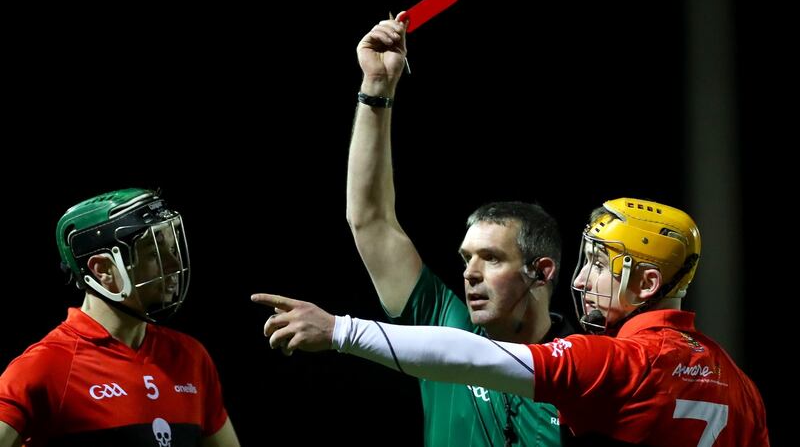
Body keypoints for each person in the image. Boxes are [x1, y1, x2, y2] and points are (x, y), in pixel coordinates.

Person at [254, 197, 770, 446]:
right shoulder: (743, 388)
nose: (585, 278)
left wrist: (343, 330)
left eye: (602, 263)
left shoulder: (617, 360)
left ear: (649, 285)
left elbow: (468, 353)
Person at [346, 12, 571, 446]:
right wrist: (377, 86)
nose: (469, 274)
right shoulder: (447, 328)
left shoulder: (587, 369)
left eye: (492, 259)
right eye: (467, 258)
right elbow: (370, 219)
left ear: (542, 272)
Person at [0, 188, 240, 447]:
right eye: (154, 253)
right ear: (102, 269)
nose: (172, 265)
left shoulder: (191, 357)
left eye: (172, 249)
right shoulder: (46, 366)